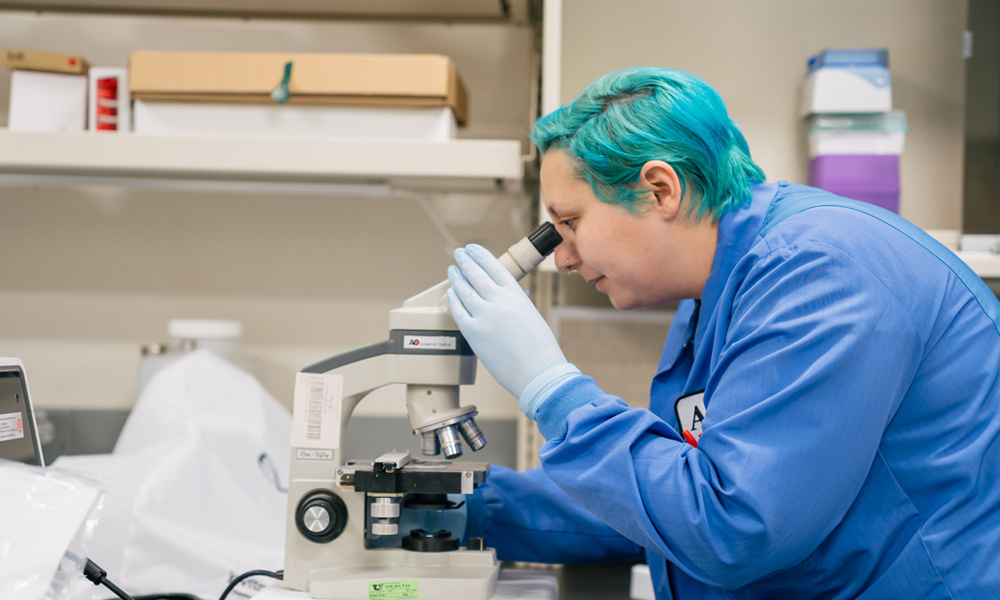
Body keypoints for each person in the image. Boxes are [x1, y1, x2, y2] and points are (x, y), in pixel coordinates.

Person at [445, 67, 1000, 599]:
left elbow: (732, 532)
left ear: (660, 189)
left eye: (569, 223)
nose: (561, 258)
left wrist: (552, 389)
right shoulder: (722, 289)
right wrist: (466, 505)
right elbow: (664, 501)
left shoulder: (819, 273)